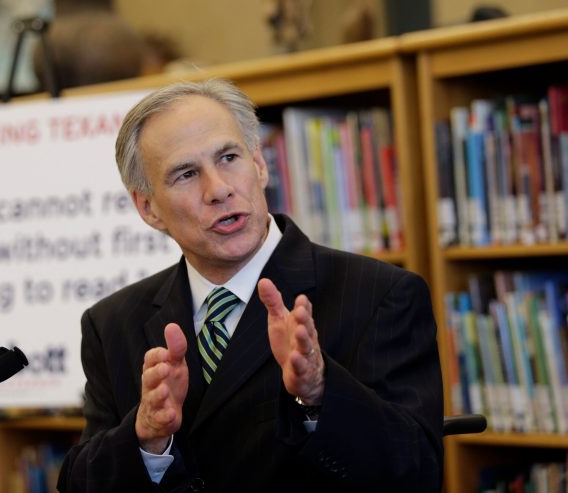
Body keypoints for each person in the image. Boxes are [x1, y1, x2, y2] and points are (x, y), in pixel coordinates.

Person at [57, 79, 443, 492]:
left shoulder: (381, 295)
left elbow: (417, 473)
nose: (219, 189)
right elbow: (81, 484)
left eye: (228, 158)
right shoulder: (111, 324)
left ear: (259, 164)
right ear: (148, 208)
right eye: (186, 174)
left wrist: (319, 392)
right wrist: (146, 438)